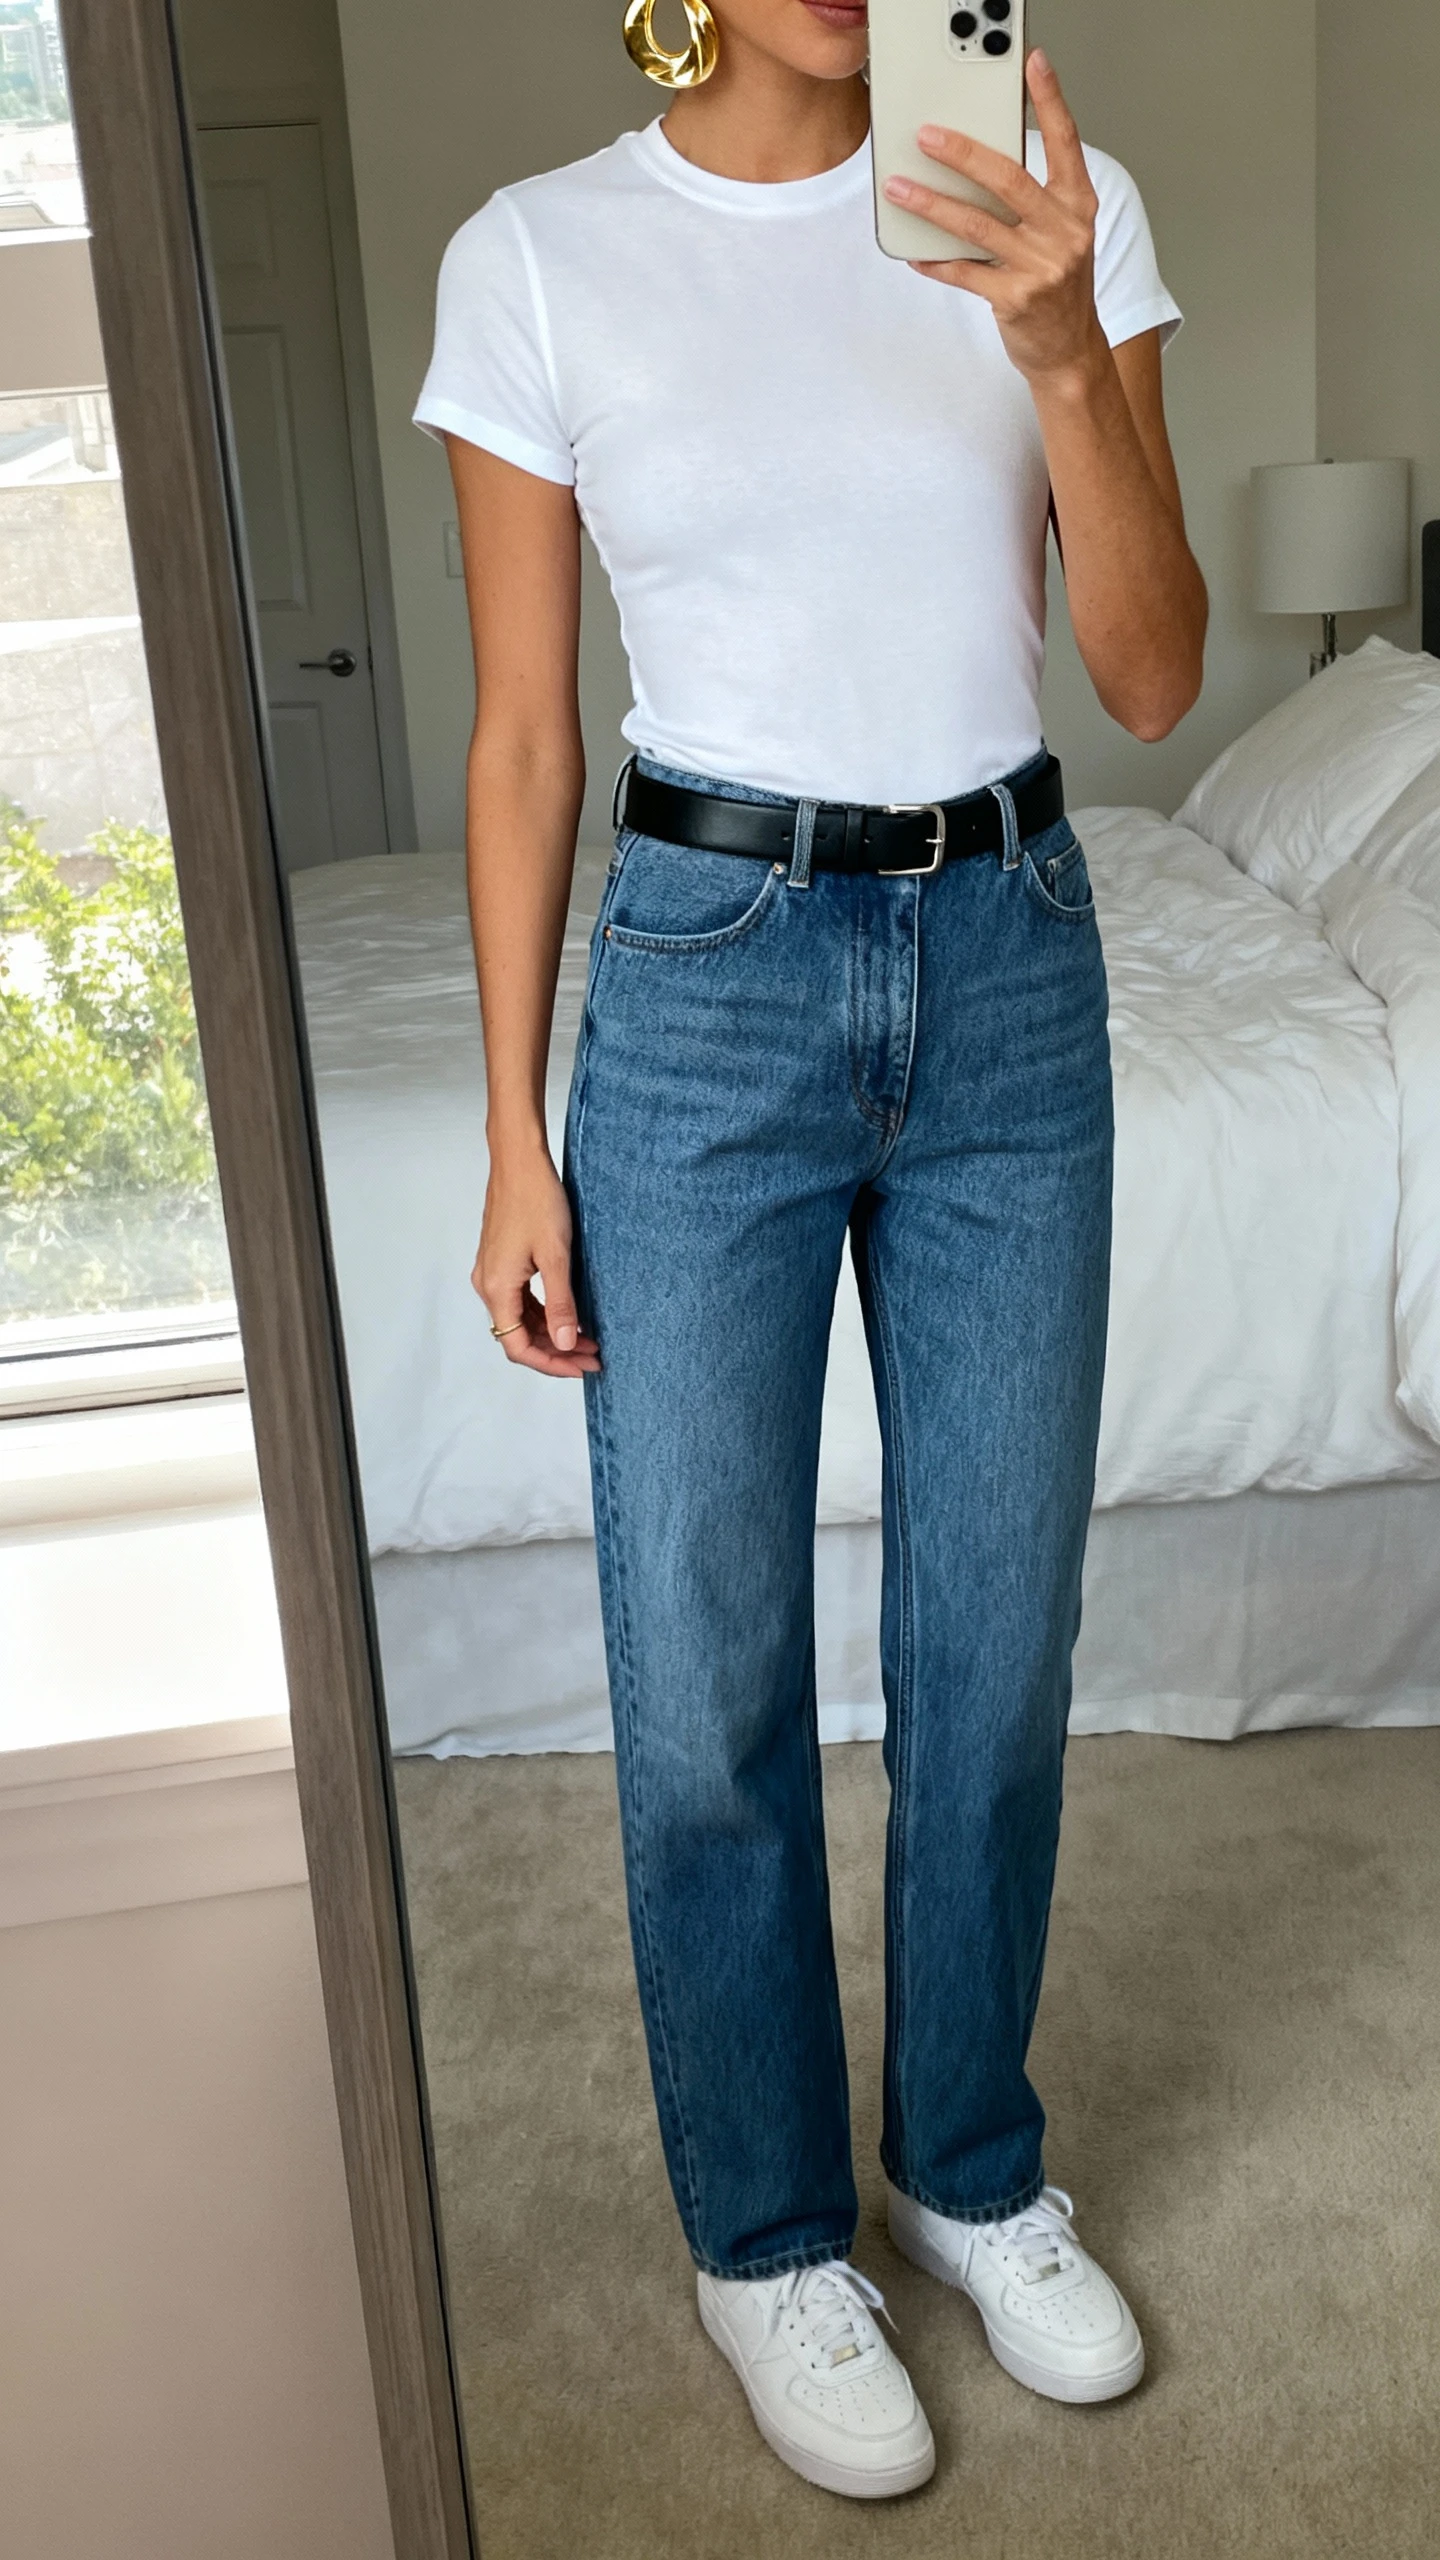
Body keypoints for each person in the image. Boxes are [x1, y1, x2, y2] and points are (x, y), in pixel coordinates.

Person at [415, 0, 1206, 2501]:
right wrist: (518, 1134)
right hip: (697, 986)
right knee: (707, 1664)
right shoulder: (541, 258)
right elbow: (528, 733)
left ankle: (967, 2165)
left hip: (1009, 962)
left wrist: (1064, 340)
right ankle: (764, 2232)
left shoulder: (1051, 207)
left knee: (995, 1635)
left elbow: (1158, 665)